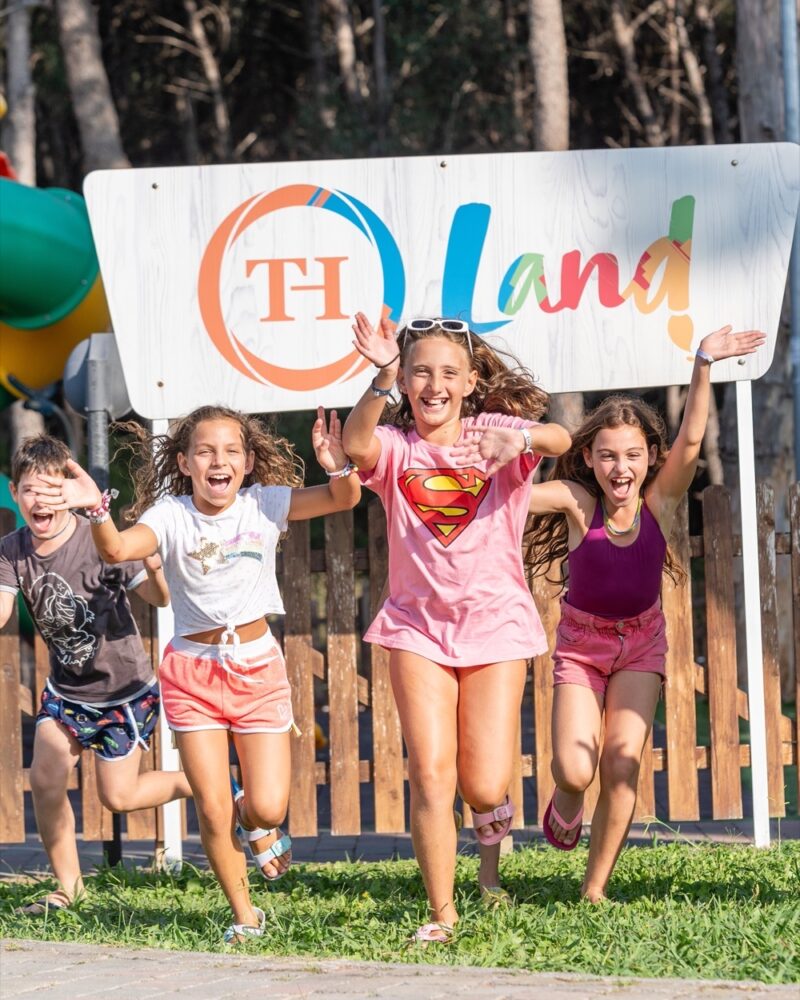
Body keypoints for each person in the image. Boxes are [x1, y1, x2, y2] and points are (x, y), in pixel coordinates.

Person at [451, 324, 766, 901]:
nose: (620, 468)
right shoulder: (579, 502)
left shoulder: (659, 502)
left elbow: (692, 443)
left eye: (632, 456)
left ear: (649, 458)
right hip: (581, 647)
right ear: (589, 460)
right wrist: (485, 456)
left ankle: (593, 888)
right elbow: (511, 501)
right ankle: (566, 808)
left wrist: (703, 363)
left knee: (623, 763)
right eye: (607, 456)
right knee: (575, 769)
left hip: (642, 645)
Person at [30, 405, 360, 942]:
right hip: (192, 674)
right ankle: (245, 917)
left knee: (268, 803)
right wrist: (94, 509)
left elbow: (343, 499)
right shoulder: (170, 514)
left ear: (248, 461)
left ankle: (255, 823)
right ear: (184, 462)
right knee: (210, 805)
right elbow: (117, 547)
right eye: (204, 451)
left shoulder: (263, 504)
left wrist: (338, 465)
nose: (218, 461)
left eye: (231, 451)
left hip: (256, 668)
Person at [343, 313, 571, 944]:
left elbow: (558, 436)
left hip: (496, 627)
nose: (434, 384)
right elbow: (357, 447)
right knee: (432, 772)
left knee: (483, 781)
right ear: (407, 381)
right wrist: (381, 378)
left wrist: (518, 445)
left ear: (471, 381)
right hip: (416, 629)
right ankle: (442, 913)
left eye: (448, 373)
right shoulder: (396, 448)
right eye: (420, 372)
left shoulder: (492, 430)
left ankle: (490, 860)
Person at [0, 434, 192, 914]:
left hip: (124, 692)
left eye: (50, 489)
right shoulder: (11, 550)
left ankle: (200, 784)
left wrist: (154, 568)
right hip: (66, 692)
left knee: (120, 797)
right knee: (45, 778)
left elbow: (159, 598)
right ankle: (69, 888)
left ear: (69, 491)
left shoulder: (97, 537)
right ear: (14, 493)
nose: (39, 500)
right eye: (28, 490)